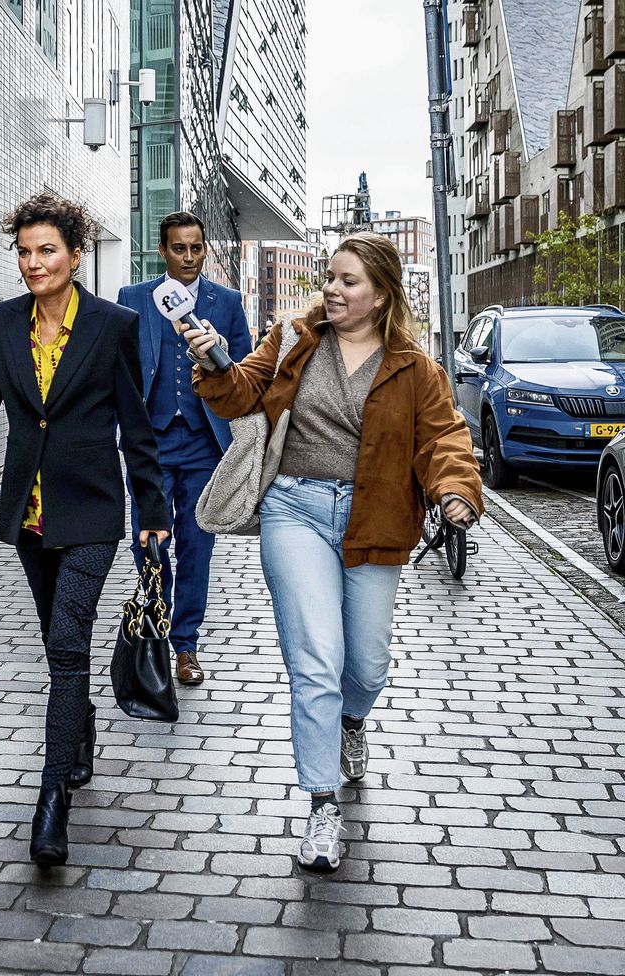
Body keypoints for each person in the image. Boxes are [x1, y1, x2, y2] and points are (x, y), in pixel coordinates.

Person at [187, 231, 483, 873]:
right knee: (316, 657)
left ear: (381, 296)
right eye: (329, 277)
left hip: (374, 517)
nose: (333, 289)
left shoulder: (415, 368)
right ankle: (322, 805)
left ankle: (353, 720)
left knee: (367, 665)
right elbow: (241, 394)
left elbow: (444, 439)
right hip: (292, 509)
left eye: (349, 281)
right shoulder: (295, 338)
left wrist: (456, 491)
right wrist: (214, 361)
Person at [0, 192, 170, 867]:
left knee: (65, 640)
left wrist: (154, 513)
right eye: (24, 252)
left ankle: (52, 800)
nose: (33, 263)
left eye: (46, 250)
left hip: (91, 511)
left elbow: (137, 428)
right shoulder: (2, 323)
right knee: (60, 641)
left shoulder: (114, 326)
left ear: (76, 256)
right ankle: (76, 727)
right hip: (29, 512)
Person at [116, 211, 252, 687]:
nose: (190, 257)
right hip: (149, 444)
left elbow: (245, 373)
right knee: (150, 546)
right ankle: (158, 625)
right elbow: (123, 371)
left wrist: (217, 355)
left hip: (202, 445)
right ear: (163, 250)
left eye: (196, 248)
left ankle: (186, 646)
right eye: (180, 248)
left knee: (197, 549)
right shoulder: (134, 299)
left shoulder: (227, 302)